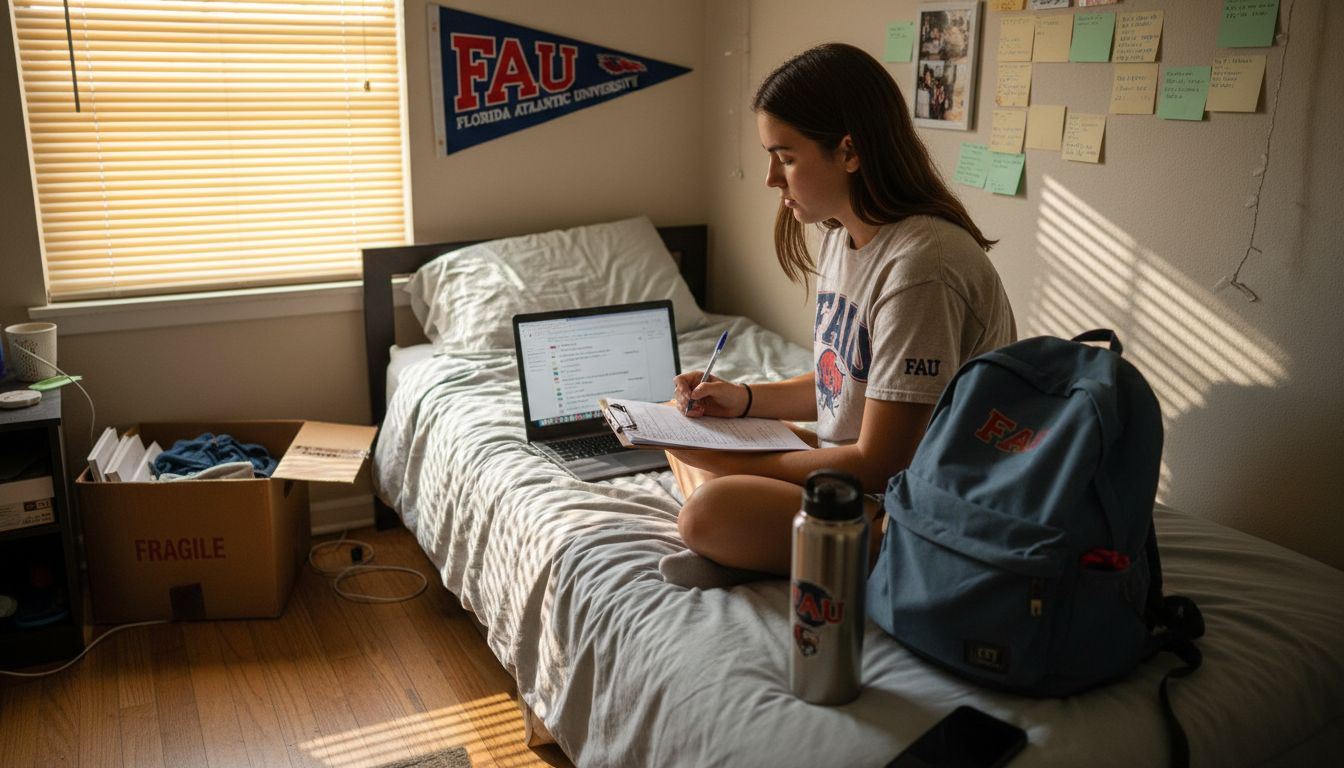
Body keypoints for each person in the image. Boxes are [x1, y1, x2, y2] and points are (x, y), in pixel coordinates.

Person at [661, 43, 1016, 585]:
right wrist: (744, 399)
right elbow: (843, 382)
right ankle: (758, 546)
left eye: (785, 156)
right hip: (855, 476)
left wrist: (734, 468)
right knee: (684, 427)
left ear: (849, 151)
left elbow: (881, 460)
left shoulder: (921, 267)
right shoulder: (842, 236)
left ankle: (775, 546)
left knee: (711, 507)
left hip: (916, 506)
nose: (771, 179)